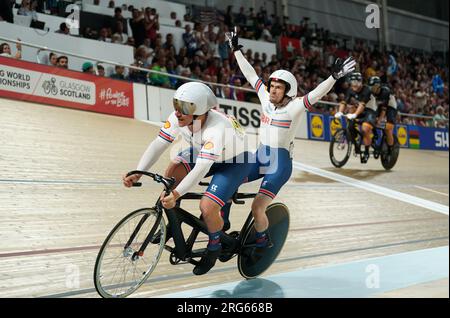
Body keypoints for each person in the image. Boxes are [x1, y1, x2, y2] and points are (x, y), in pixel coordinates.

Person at [227, 27, 355, 256]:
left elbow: (316, 94)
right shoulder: (265, 97)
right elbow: (250, 74)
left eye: (278, 88)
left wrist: (333, 77)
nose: (273, 90)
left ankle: (263, 240)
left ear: (288, 92)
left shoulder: (295, 107)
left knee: (258, 207)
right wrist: (236, 50)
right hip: (260, 156)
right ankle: (223, 227)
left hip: (280, 165)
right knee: (228, 183)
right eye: (272, 86)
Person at [122, 82, 253, 275]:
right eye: (176, 105)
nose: (177, 112)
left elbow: (201, 168)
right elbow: (159, 144)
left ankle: (214, 247)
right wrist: (139, 171)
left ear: (200, 111)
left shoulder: (217, 129)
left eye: (184, 108)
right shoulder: (179, 117)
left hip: (236, 162)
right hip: (205, 151)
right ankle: (173, 222)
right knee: (173, 170)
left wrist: (176, 194)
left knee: (207, 208)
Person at [335, 72, 376, 163]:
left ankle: (366, 152)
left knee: (365, 129)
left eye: (356, 82)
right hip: (360, 109)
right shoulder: (350, 90)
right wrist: (340, 112)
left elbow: (362, 105)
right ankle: (353, 140)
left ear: (361, 82)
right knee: (350, 121)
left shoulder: (367, 90)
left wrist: (355, 115)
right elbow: (344, 102)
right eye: (352, 82)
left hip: (370, 111)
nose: (354, 84)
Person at [368, 76, 398, 152]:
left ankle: (391, 149)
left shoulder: (385, 92)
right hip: (381, 105)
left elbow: (384, 110)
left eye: (373, 87)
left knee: (388, 128)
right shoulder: (372, 91)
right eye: (370, 86)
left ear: (378, 86)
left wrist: (379, 121)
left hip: (391, 107)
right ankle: (375, 136)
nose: (371, 88)